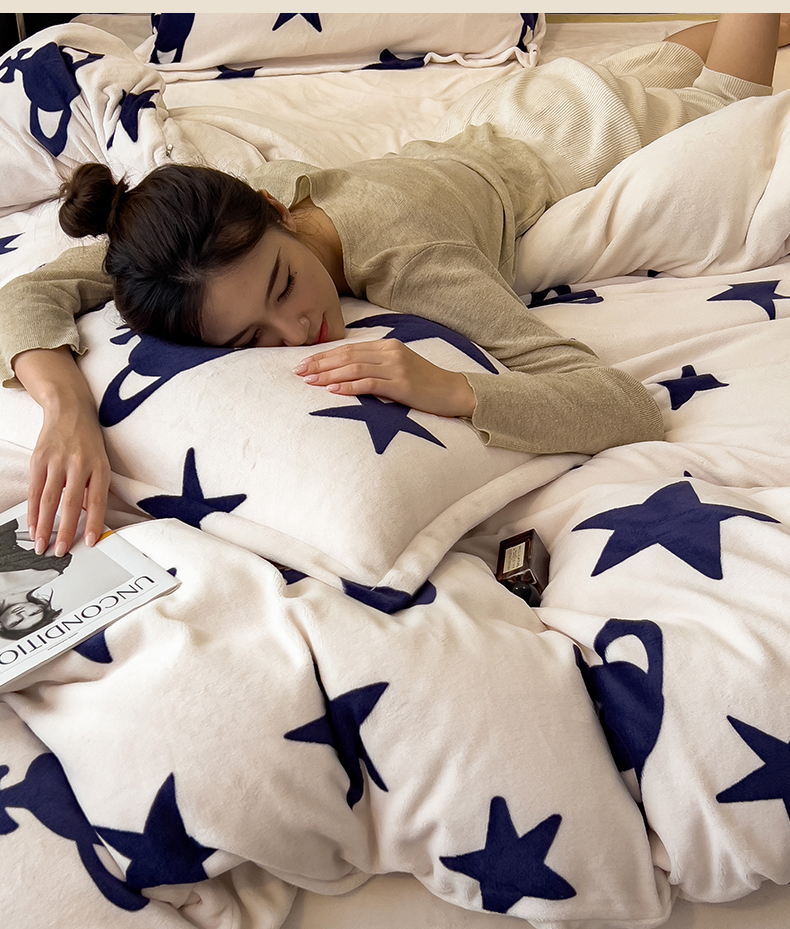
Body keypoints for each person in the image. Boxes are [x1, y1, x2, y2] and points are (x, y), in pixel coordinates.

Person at [0, 14, 782, 560]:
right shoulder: (217, 231)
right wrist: (66, 408)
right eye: (251, 338)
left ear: (276, 209)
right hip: (505, 114)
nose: (295, 328)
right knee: (665, 61)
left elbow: (625, 405)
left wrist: (454, 389)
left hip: (584, 130)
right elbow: (29, 292)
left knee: (729, 97)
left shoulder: (415, 256)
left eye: (283, 284)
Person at [0, 517, 70, 639]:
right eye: (34, 613)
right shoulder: (48, 573)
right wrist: (14, 536)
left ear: (1, 626)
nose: (22, 614)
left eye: (16, 622)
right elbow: (60, 540)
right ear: (41, 607)